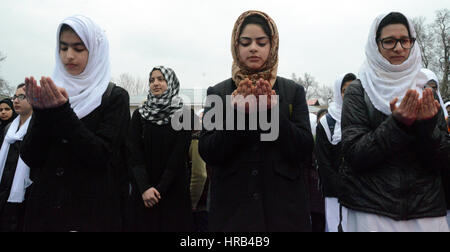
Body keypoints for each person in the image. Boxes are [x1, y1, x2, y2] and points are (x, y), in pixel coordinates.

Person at [199, 10, 313, 232]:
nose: (253, 48)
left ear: (272, 46)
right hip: (232, 215)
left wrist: (272, 112)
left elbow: (304, 150)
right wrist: (238, 115)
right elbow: (208, 151)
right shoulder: (219, 92)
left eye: (261, 42)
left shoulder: (292, 91)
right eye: (246, 42)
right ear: (236, 46)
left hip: (284, 214)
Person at [340, 12, 450, 232]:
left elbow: (443, 161)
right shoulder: (359, 91)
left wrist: (426, 127)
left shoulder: (425, 90)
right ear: (376, 45)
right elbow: (354, 154)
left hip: (425, 211)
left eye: (405, 40)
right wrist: (397, 124)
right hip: (370, 211)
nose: (398, 48)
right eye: (389, 41)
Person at [21, 15, 130, 232]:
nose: (68, 56)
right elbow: (31, 156)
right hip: (45, 215)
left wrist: (62, 111)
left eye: (79, 48)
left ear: (96, 51)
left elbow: (100, 155)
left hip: (91, 215)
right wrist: (43, 112)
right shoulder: (50, 93)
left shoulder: (113, 97)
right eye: (63, 48)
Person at [128, 66, 193, 232]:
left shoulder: (185, 114)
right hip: (144, 194)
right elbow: (134, 153)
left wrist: (159, 190)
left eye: (161, 79)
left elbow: (178, 156)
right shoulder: (140, 115)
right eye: (151, 80)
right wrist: (145, 188)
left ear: (171, 83)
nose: (155, 83)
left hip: (173, 192)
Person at [315, 73, 356, 232]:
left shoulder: (365, 116)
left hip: (362, 191)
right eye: (345, 90)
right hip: (335, 192)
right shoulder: (327, 122)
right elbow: (323, 161)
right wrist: (340, 187)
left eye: (353, 89)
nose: (349, 94)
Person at [0, 84, 33, 232]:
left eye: (22, 97)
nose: (16, 100)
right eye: (15, 97)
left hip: (24, 195)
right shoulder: (8, 129)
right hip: (3, 189)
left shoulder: (37, 129)